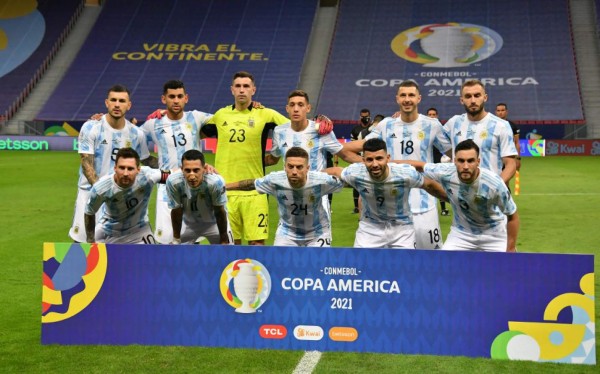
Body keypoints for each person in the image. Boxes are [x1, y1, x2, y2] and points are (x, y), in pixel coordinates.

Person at [202, 71, 333, 245]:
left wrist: (320, 122)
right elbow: (192, 131)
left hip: (255, 191)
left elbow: (296, 125)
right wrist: (202, 164)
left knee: (257, 244)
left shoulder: (266, 114)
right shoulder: (220, 115)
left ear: (253, 90)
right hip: (224, 190)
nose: (242, 90)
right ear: (232, 90)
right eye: (238, 86)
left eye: (246, 86)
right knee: (226, 245)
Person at [342, 81, 451, 249]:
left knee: (431, 259)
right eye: (403, 95)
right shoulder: (386, 125)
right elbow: (360, 147)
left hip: (423, 204)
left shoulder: (432, 125)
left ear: (419, 98)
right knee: (393, 265)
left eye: (411, 95)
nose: (407, 99)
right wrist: (371, 165)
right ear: (397, 99)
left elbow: (455, 155)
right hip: (392, 208)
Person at [326, 138, 447, 249]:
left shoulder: (405, 174)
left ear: (388, 158)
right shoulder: (356, 173)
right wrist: (308, 176)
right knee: (362, 269)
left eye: (379, 158)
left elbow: (430, 185)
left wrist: (453, 200)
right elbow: (335, 171)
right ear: (363, 161)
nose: (375, 164)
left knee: (404, 270)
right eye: (369, 159)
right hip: (369, 228)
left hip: (402, 228)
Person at [405, 139, 519, 252]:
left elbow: (513, 216)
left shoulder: (494, 183)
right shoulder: (446, 171)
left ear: (478, 162)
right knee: (444, 266)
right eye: (461, 161)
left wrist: (510, 248)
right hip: (461, 234)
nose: (465, 166)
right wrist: (389, 165)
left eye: (470, 161)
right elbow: (418, 165)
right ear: (454, 161)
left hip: (494, 235)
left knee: (505, 268)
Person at [69, 84, 150, 243]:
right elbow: (87, 164)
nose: (117, 104)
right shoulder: (91, 127)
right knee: (83, 243)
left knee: (118, 245)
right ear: (107, 103)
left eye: (121, 100)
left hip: (120, 197)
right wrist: (103, 190)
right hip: (90, 192)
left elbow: (145, 162)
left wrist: (178, 169)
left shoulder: (136, 134)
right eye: (113, 100)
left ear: (129, 105)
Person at [141, 80, 213, 244]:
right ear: (163, 99)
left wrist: (253, 105)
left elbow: (227, 118)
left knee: (192, 240)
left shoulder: (196, 117)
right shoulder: (153, 124)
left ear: (186, 98)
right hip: (167, 188)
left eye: (179, 96)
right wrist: (160, 170)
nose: (176, 100)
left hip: (194, 187)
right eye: (171, 96)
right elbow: (135, 143)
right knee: (167, 241)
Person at [226, 147, 344, 247]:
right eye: (290, 166)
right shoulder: (275, 180)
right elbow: (251, 184)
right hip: (287, 233)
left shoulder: (321, 181)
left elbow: (348, 182)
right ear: (284, 167)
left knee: (318, 269)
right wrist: (224, 187)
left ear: (307, 168)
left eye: (299, 167)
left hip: (318, 233)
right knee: (281, 270)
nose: (294, 171)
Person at [84, 148, 169, 244]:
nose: (125, 173)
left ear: (138, 169)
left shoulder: (148, 176)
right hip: (108, 232)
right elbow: (89, 212)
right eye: (122, 168)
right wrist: (90, 240)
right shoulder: (101, 188)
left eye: (130, 168)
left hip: (139, 231)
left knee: (151, 258)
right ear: (115, 168)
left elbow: (173, 177)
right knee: (97, 258)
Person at [443, 80, 518, 183]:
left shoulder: (501, 126)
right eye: (468, 96)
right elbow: (439, 142)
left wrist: (496, 186)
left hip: (490, 194)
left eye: (477, 95)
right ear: (462, 100)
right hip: (460, 194)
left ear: (485, 97)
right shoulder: (453, 123)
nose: (473, 100)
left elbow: (510, 164)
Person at [166, 150, 232, 245]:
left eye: (196, 170)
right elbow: (176, 210)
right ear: (182, 169)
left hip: (214, 224)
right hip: (188, 224)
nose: (192, 176)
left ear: (204, 168)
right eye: (187, 170)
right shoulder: (173, 181)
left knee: (227, 253)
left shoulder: (215, 182)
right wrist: (176, 239)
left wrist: (224, 240)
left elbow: (219, 211)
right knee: (170, 250)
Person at [426, 107, 450, 217]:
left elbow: (447, 147)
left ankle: (444, 209)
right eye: (430, 114)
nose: (432, 116)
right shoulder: (423, 131)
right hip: (427, 164)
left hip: (439, 161)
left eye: (434, 114)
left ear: (437, 116)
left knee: (440, 184)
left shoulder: (440, 130)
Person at [349, 108, 372, 213]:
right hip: (359, 159)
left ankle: (371, 206)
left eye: (366, 116)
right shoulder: (355, 130)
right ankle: (356, 207)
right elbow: (352, 146)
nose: (364, 119)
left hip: (371, 159)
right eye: (362, 117)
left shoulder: (373, 129)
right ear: (360, 117)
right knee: (357, 183)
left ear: (370, 116)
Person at [495, 103, 522, 173]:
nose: (500, 112)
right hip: (494, 157)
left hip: (507, 157)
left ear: (506, 112)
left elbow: (516, 142)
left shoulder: (512, 126)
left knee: (505, 180)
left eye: (502, 110)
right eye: (498, 110)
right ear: (496, 112)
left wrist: (518, 158)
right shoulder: (491, 125)